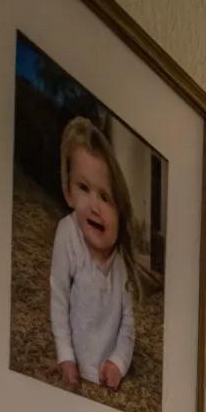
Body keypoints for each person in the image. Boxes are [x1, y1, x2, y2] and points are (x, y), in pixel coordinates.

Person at [50, 116, 138, 392]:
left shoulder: (120, 261)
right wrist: (66, 357)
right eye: (84, 188)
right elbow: (59, 298)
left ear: (120, 211)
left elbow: (128, 325)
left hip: (103, 371)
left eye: (105, 197)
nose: (94, 206)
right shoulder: (68, 233)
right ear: (69, 192)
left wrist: (117, 363)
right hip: (77, 363)